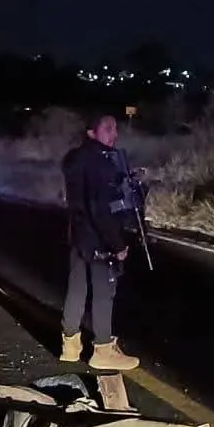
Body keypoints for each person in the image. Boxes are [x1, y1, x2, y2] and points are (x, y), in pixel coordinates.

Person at [59, 111, 141, 371]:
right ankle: (103, 350)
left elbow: (82, 195)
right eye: (108, 129)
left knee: (76, 290)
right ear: (91, 132)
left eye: (115, 129)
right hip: (99, 240)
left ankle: (70, 347)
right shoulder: (101, 162)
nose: (114, 134)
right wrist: (117, 245)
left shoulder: (74, 160)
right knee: (104, 294)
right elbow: (101, 209)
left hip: (79, 236)